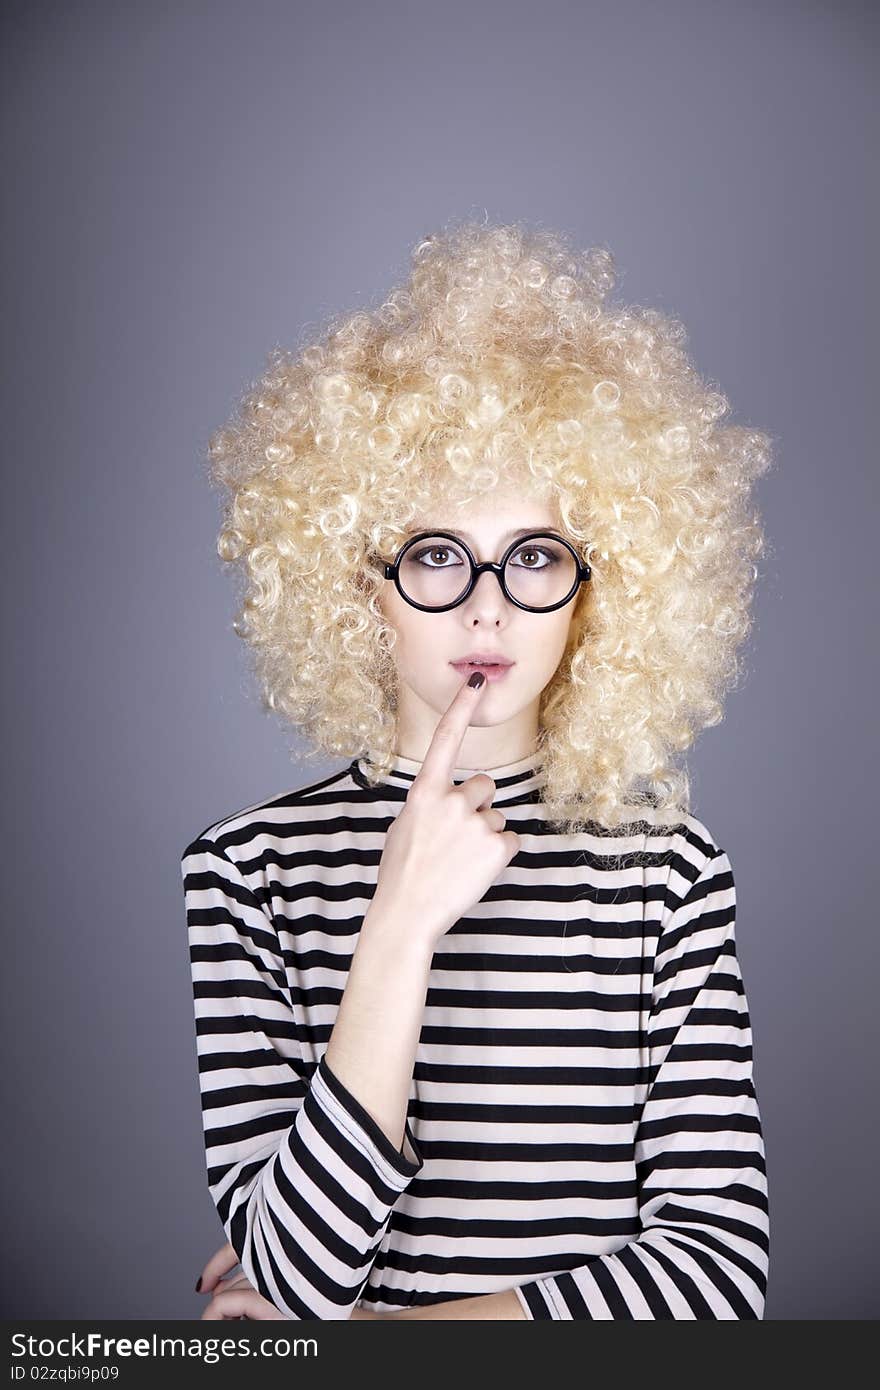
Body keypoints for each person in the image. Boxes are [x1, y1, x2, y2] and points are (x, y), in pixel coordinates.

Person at [181, 219, 773, 1320]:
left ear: (600, 592)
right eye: (436, 555)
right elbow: (297, 1283)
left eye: (536, 556)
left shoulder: (669, 873)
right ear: (363, 586)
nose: (487, 605)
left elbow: (715, 1276)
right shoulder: (248, 871)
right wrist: (398, 924)